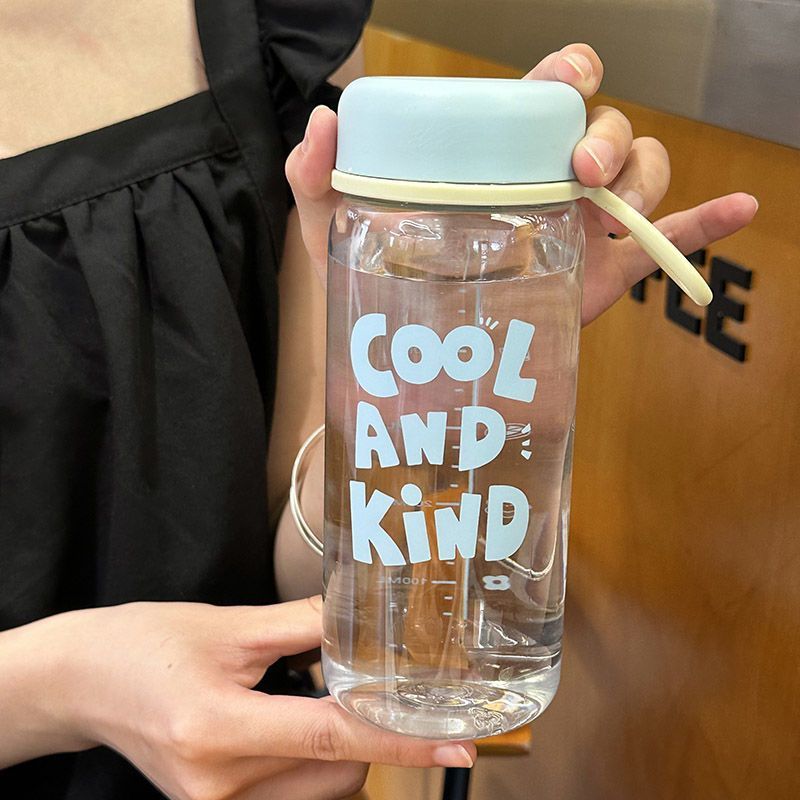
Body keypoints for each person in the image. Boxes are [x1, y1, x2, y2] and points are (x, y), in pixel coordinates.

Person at [0, 1, 757, 799]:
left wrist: (440, 372)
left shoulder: (275, 24)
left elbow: (288, 546)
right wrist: (62, 689)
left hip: (257, 767)